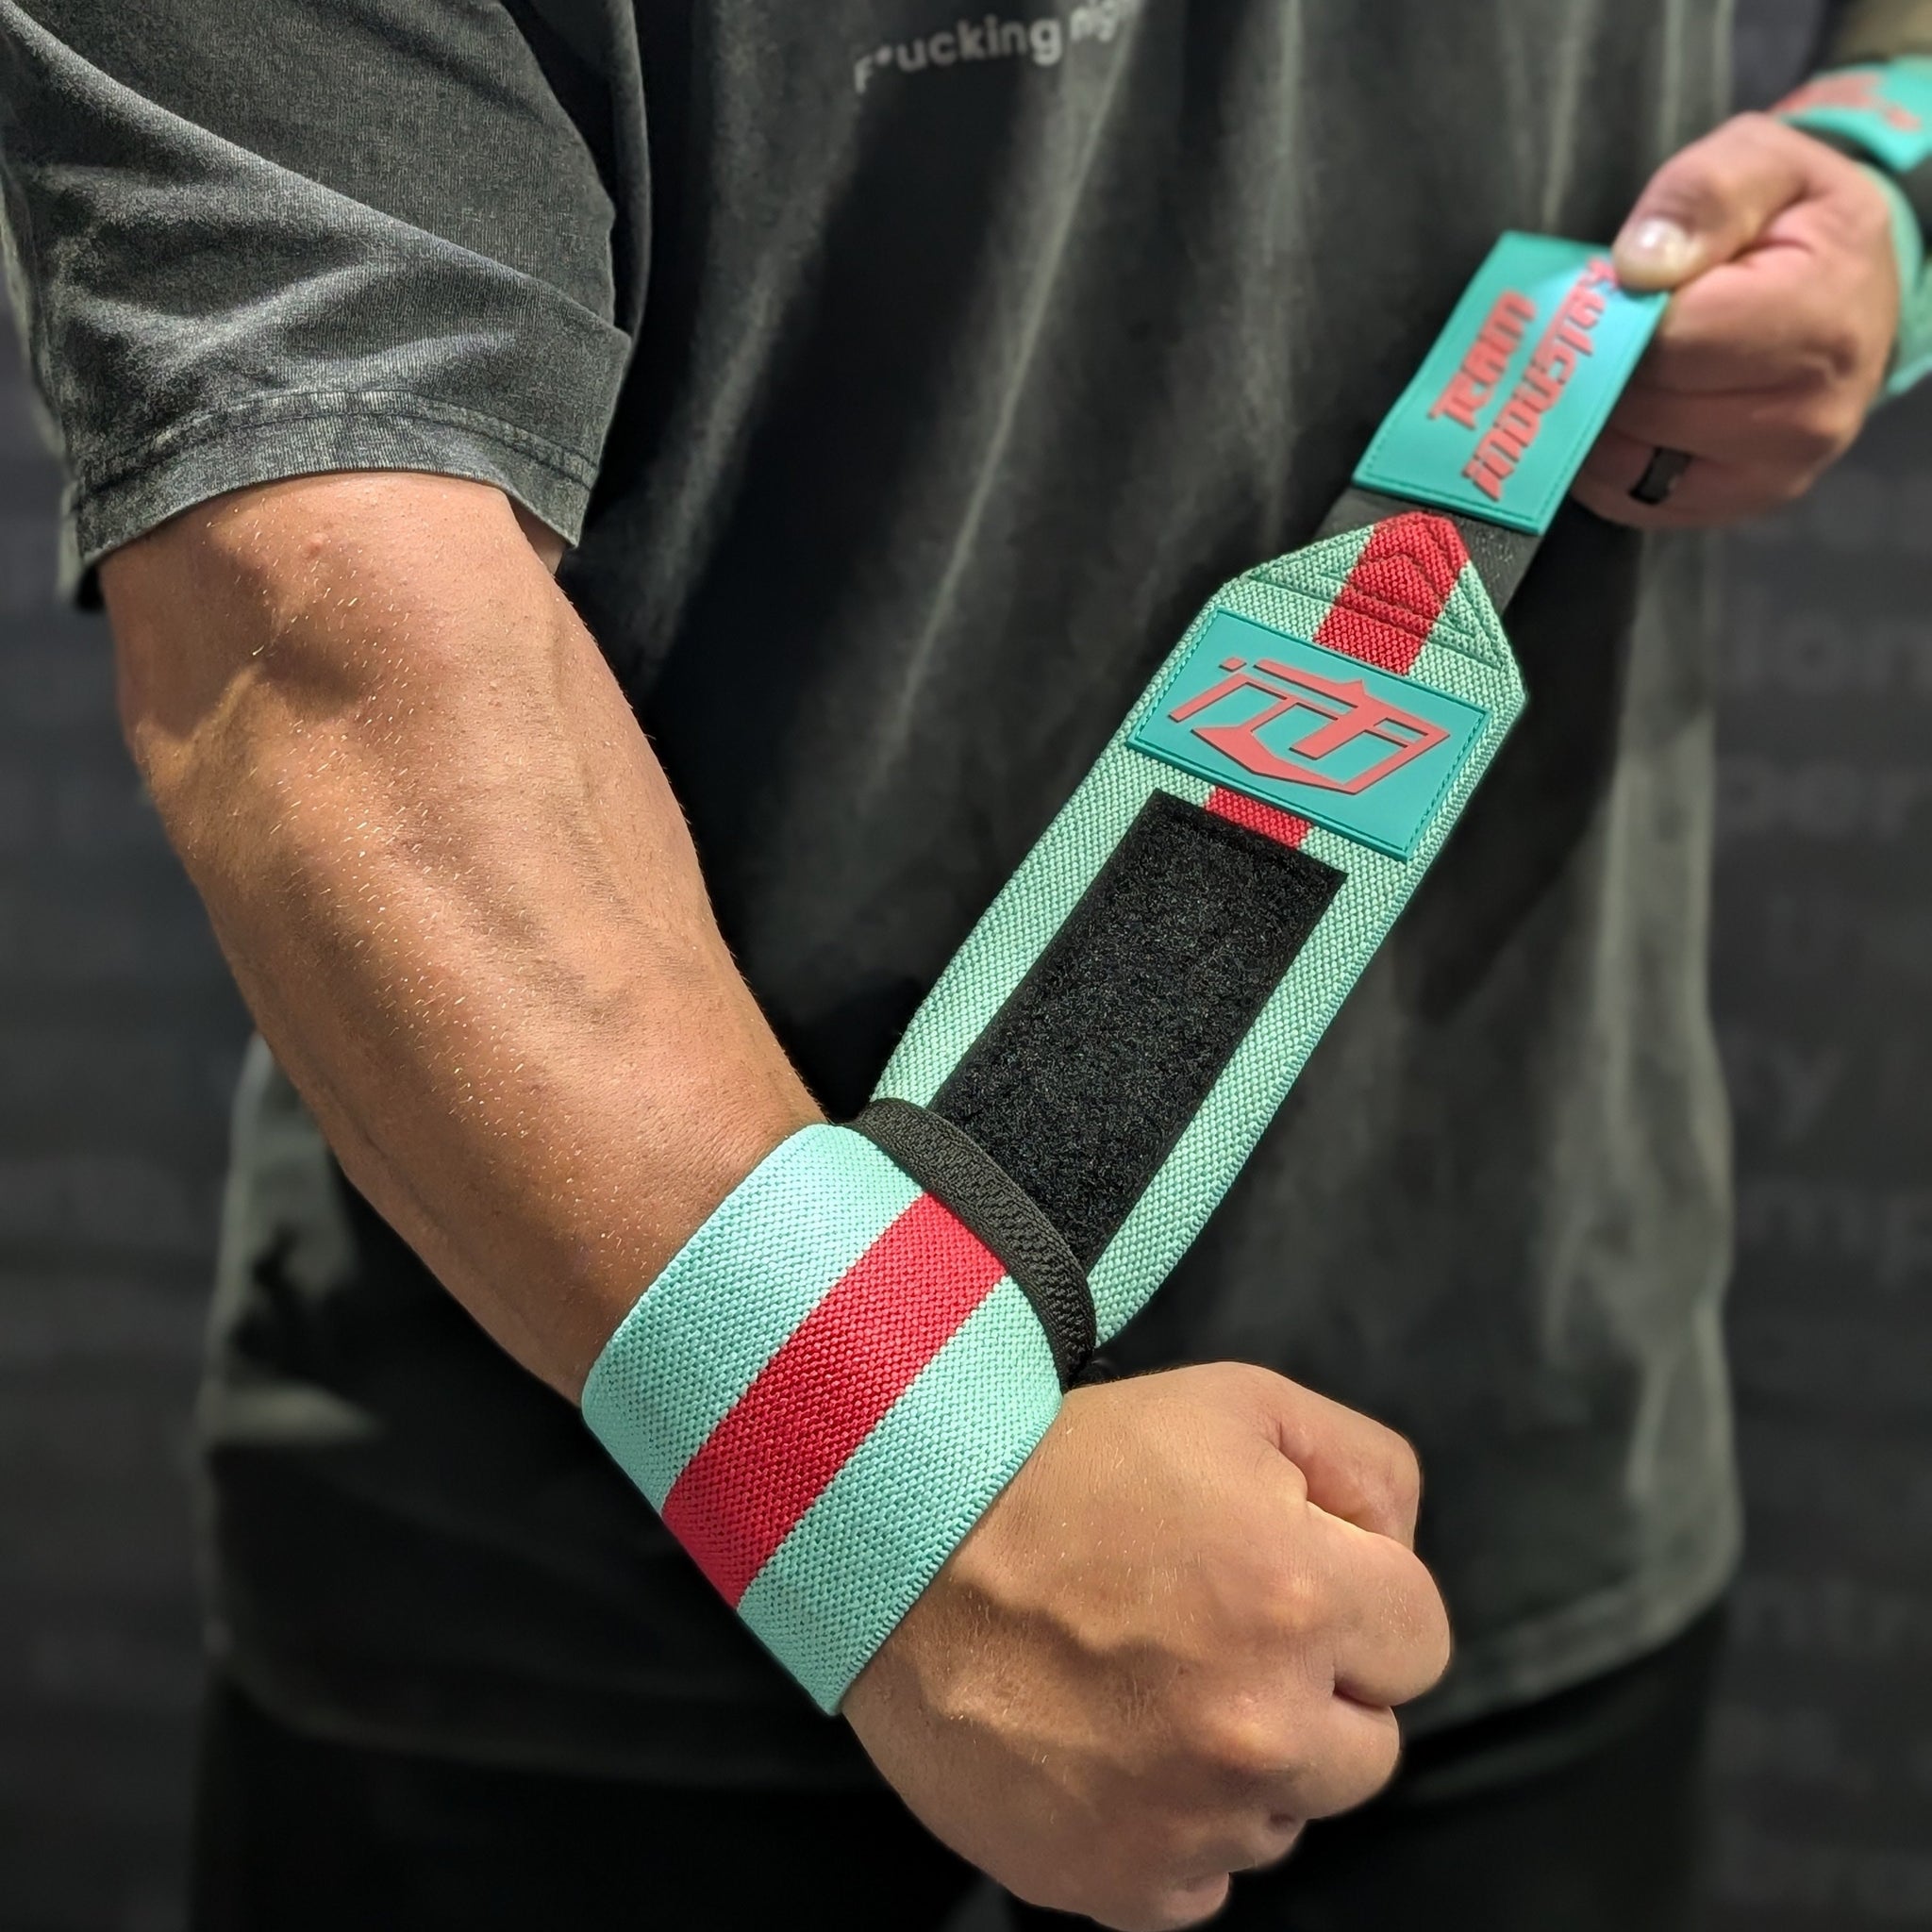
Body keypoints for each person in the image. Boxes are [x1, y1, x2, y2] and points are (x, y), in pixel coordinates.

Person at [0, 1, 1919, 1925]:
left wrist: (1892, 159)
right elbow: (311, 628)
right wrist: (908, 1498)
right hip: (621, 1577)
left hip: (1483, 1466)